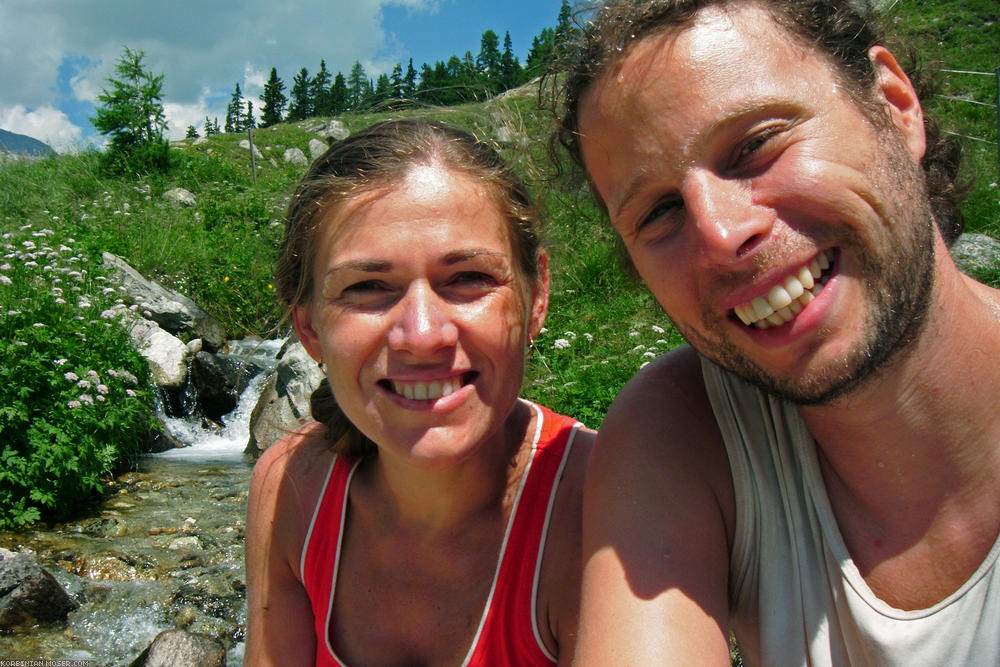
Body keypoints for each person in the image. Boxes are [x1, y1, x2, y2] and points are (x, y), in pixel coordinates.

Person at [556, 0, 1000, 664]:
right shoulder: (684, 429)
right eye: (661, 210)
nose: (722, 235)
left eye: (756, 145)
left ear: (895, 105)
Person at [244, 119, 593, 666]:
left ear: (537, 295)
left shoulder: (602, 506)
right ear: (309, 328)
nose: (424, 335)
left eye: (470, 277)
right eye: (366, 287)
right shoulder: (290, 486)